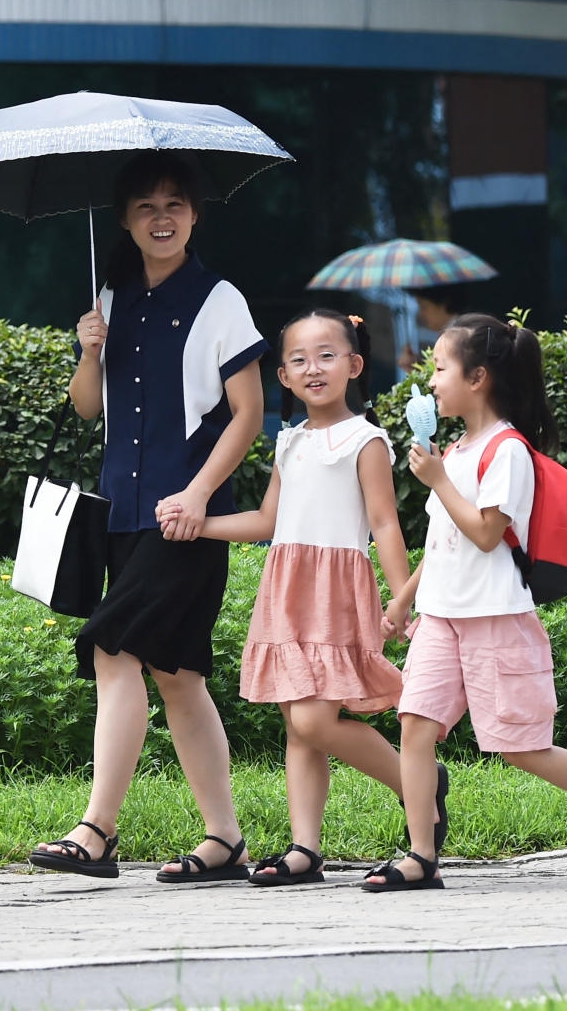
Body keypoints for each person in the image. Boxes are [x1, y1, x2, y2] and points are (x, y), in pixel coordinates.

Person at [29, 154, 266, 884]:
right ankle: (224, 839)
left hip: (187, 520)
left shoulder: (220, 299)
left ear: (194, 215)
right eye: (144, 207)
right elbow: (86, 407)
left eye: (174, 204)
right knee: (178, 676)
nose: (160, 217)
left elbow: (249, 414)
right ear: (127, 221)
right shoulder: (113, 294)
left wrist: (197, 495)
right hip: (123, 518)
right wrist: (86, 351)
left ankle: (97, 829)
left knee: (110, 650)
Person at [364, 313, 567, 891]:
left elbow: (484, 531)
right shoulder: (453, 449)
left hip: (495, 619)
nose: (431, 382)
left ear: (477, 378)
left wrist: (438, 483)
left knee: (522, 747)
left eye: (440, 369)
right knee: (415, 726)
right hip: (441, 616)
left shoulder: (508, 453)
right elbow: (444, 543)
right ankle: (421, 855)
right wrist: (402, 602)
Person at [182, 310, 448, 885]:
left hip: (335, 591)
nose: (314, 368)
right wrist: (196, 521)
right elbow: (266, 521)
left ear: (354, 365)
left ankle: (418, 782)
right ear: (282, 376)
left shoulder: (366, 439)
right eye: (299, 359)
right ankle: (305, 848)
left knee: (314, 720)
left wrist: (401, 599)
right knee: (297, 722)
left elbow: (385, 525)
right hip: (287, 589)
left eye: (327, 355)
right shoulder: (290, 441)